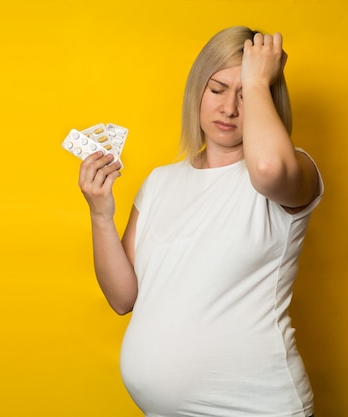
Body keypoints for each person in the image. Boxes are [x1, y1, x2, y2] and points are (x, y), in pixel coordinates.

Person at [78, 26, 323, 417]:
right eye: (217, 89)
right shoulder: (160, 182)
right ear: (197, 91)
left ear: (267, 99)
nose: (229, 108)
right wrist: (100, 215)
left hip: (257, 408)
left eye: (245, 93)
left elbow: (267, 166)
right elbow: (122, 299)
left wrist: (260, 79)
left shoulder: (294, 171)